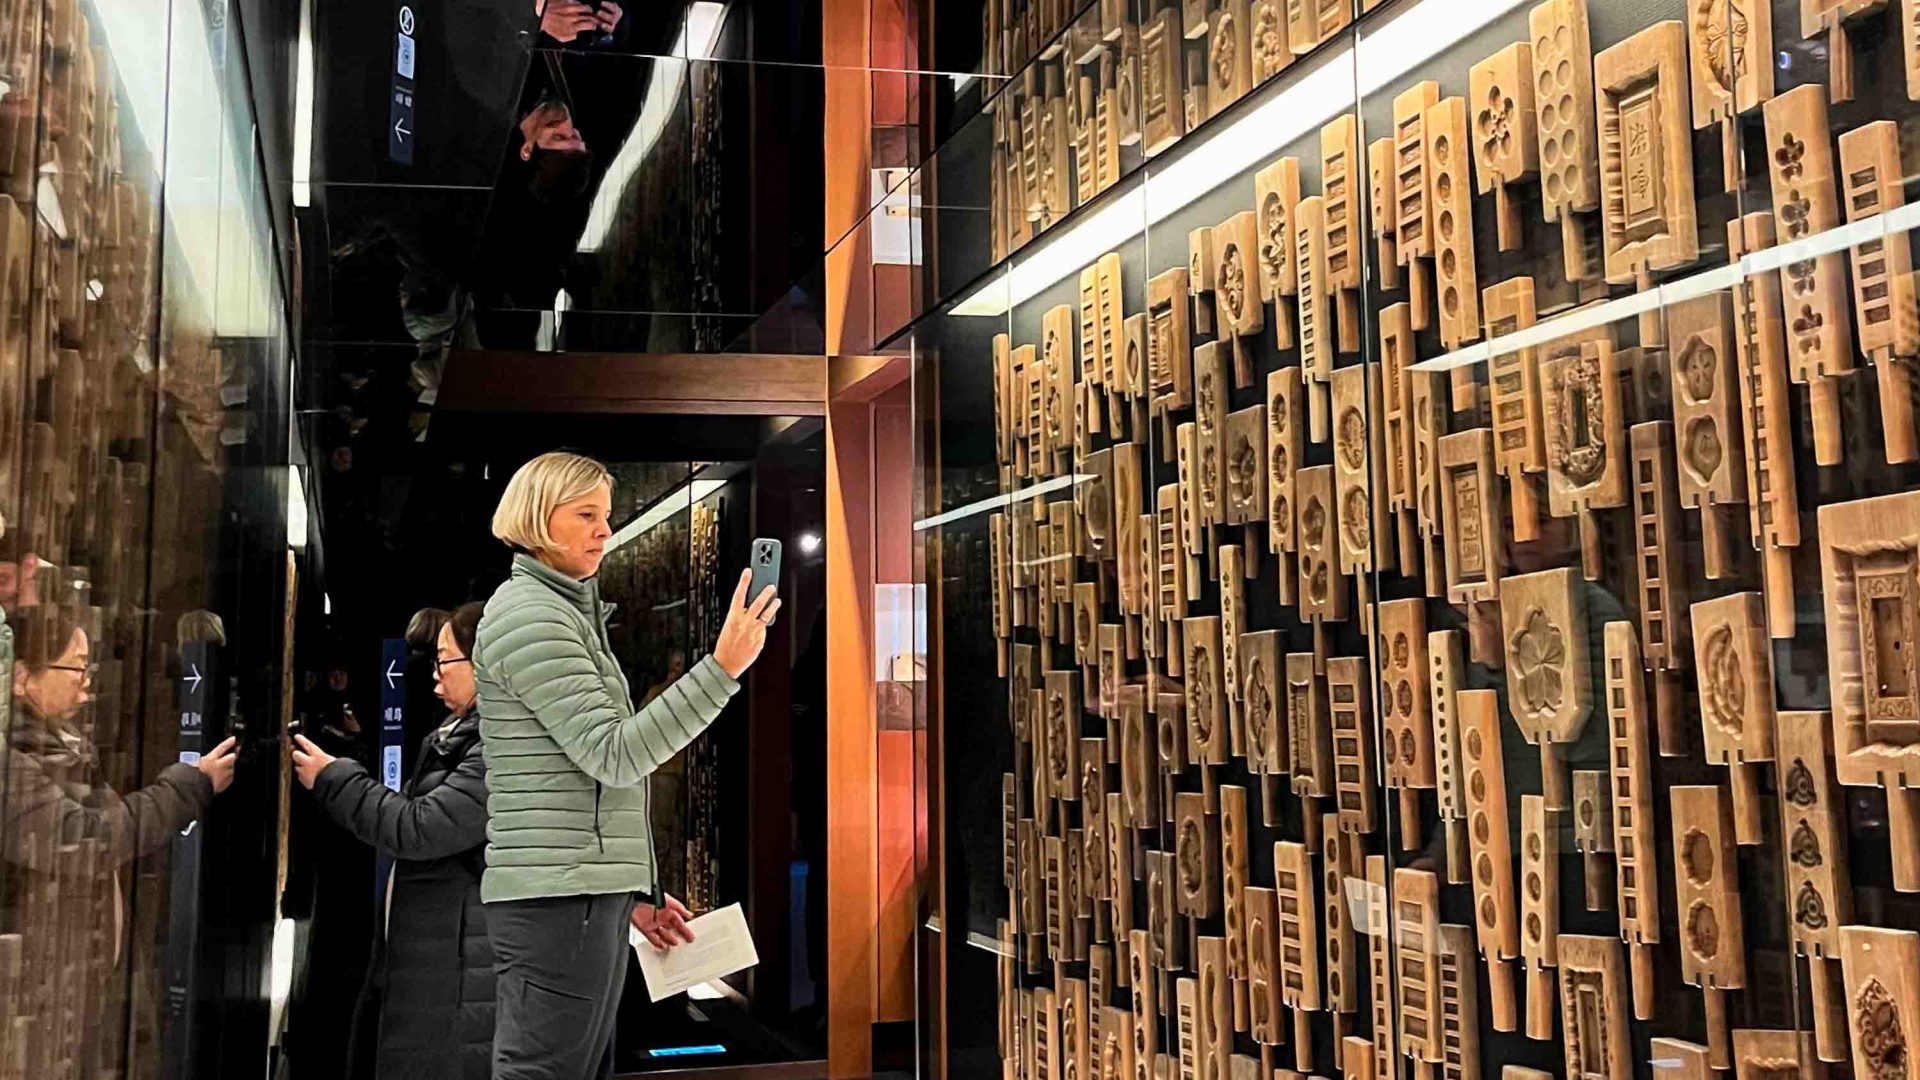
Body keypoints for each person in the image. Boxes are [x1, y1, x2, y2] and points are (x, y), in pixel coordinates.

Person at [475, 451, 778, 1079]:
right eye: (586, 514)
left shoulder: (559, 611)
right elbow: (613, 755)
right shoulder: (532, 616)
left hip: (577, 901)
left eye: (605, 515)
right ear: (536, 518)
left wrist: (633, 896)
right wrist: (721, 670)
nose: (605, 530)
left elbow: (583, 778)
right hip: (560, 906)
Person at [292, 602, 495, 1080]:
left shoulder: (493, 744)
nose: (433, 675)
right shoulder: (459, 734)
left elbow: (418, 828)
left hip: (454, 968)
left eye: (444, 659)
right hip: (434, 956)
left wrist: (333, 778)